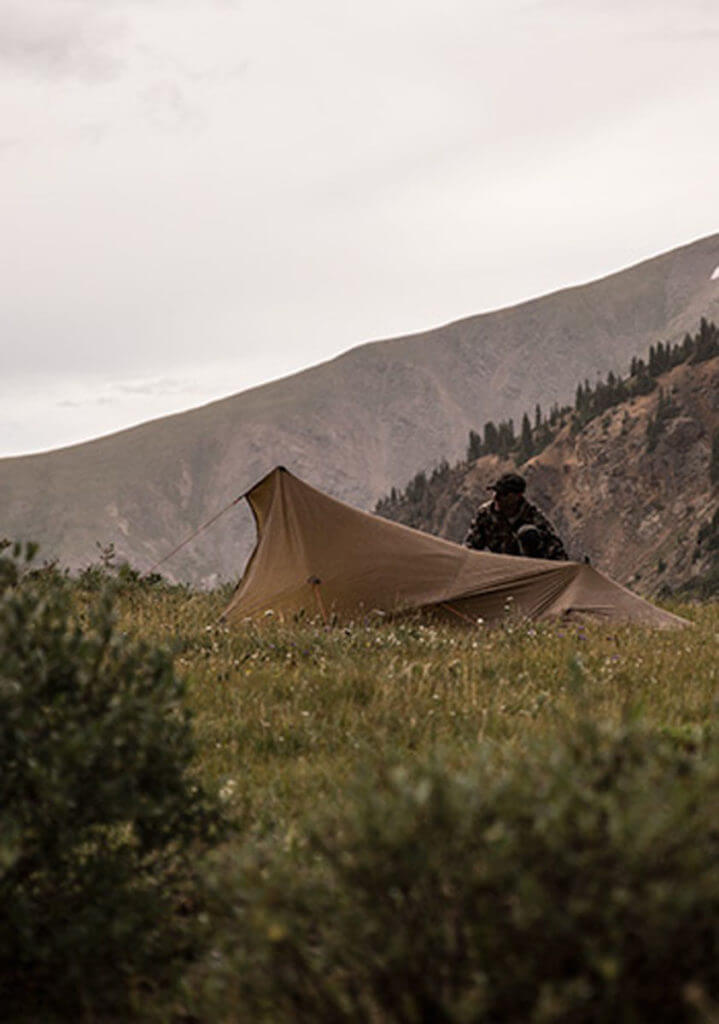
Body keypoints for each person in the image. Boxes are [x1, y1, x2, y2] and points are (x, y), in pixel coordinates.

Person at [464, 472, 567, 560]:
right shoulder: (485, 514)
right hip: (499, 568)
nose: (496, 497)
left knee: (527, 532)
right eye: (495, 492)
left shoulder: (533, 517)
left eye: (503, 494)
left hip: (528, 569)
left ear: (517, 496)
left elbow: (556, 551)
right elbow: (470, 547)